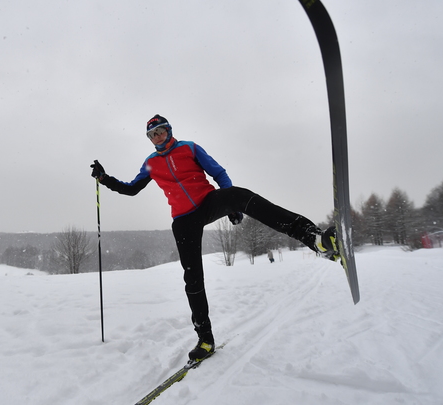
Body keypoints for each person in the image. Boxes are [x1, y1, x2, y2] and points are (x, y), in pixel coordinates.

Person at [89, 114, 338, 361]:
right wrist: (104, 178)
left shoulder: (189, 148)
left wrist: (233, 207)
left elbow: (219, 174)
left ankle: (314, 238)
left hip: (207, 202)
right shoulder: (150, 163)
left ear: (169, 130)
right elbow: (131, 189)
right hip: (184, 220)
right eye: (152, 135)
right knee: (192, 279)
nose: (158, 137)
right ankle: (205, 339)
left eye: (161, 131)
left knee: (240, 194)